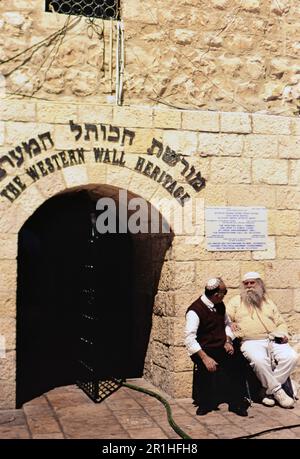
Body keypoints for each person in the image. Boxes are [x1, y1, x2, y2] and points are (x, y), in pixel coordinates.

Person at [226, 272, 299, 409]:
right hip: (250, 341)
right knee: (259, 361)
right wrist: (230, 324)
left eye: (252, 283)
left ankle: (267, 392)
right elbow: (225, 318)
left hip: (273, 339)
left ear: (259, 284)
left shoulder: (268, 302)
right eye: (246, 284)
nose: (249, 287)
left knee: (292, 357)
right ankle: (278, 392)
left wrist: (283, 334)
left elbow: (281, 322)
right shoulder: (236, 301)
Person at [184, 277, 249, 417]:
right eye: (225, 292)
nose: (225, 294)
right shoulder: (194, 311)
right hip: (202, 349)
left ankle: (236, 403)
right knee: (206, 367)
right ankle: (205, 403)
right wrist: (205, 358)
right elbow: (189, 339)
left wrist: (228, 341)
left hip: (220, 345)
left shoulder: (220, 305)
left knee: (239, 362)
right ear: (216, 294)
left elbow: (227, 324)